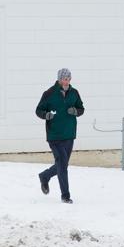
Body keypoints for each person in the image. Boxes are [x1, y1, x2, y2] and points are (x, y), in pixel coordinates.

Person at [35, 67, 84, 204]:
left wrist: (75, 111)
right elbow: (38, 110)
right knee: (62, 164)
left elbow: (81, 109)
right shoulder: (49, 93)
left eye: (68, 79)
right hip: (54, 135)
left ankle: (45, 176)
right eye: (64, 79)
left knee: (62, 164)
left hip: (69, 134)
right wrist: (46, 115)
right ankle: (65, 196)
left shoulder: (74, 93)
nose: (67, 81)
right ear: (59, 79)